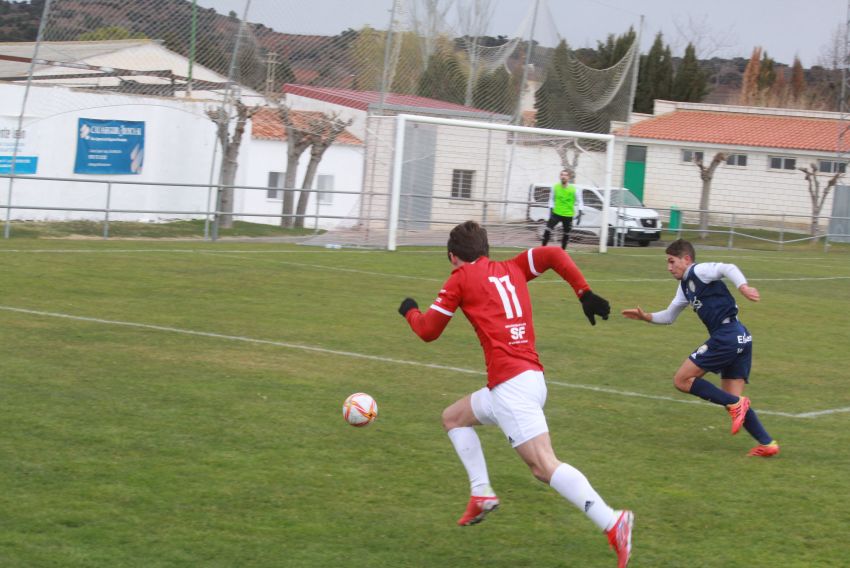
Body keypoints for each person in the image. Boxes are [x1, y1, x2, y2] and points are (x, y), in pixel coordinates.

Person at [398, 220, 633, 568]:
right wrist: (583, 292)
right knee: (454, 418)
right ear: (486, 250)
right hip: (528, 380)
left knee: (543, 466)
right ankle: (481, 492)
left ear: (453, 257)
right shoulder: (512, 268)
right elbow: (553, 253)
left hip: (512, 389)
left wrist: (409, 311)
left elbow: (428, 331)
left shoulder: (460, 278)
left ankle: (613, 521)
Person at [621, 239, 779, 457]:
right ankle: (767, 443)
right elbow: (669, 316)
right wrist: (645, 317)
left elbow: (727, 267)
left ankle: (738, 406)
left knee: (682, 380)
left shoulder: (699, 271)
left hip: (727, 336)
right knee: (731, 401)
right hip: (741, 337)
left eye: (671, 261)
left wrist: (743, 286)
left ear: (686, 259)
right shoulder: (684, 287)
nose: (669, 267)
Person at [542, 169, 583, 249]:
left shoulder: (574, 189)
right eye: (562, 175)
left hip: (568, 215)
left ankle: (563, 252)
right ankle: (542, 249)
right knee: (547, 230)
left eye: (565, 175)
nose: (563, 176)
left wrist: (580, 213)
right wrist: (551, 211)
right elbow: (551, 199)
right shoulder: (555, 187)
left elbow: (580, 201)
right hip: (556, 213)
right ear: (560, 176)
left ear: (569, 177)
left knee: (566, 234)